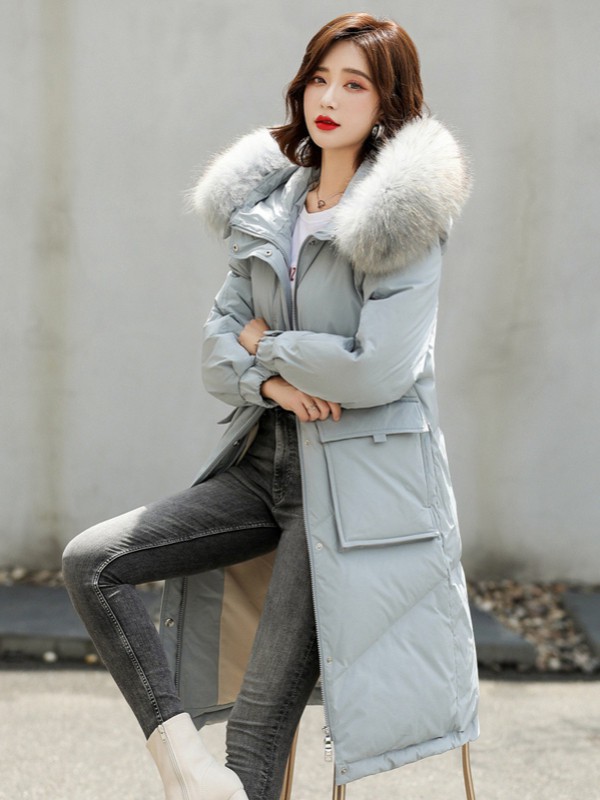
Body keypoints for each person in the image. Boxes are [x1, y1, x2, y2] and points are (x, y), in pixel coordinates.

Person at [63, 12, 479, 800]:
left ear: (386, 104)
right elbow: (215, 349)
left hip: (352, 493)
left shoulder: (401, 223)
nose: (329, 98)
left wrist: (267, 342)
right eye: (319, 78)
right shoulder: (271, 206)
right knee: (94, 562)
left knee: (257, 731)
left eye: (354, 84)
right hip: (265, 465)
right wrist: (274, 381)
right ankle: (184, 770)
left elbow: (377, 369)